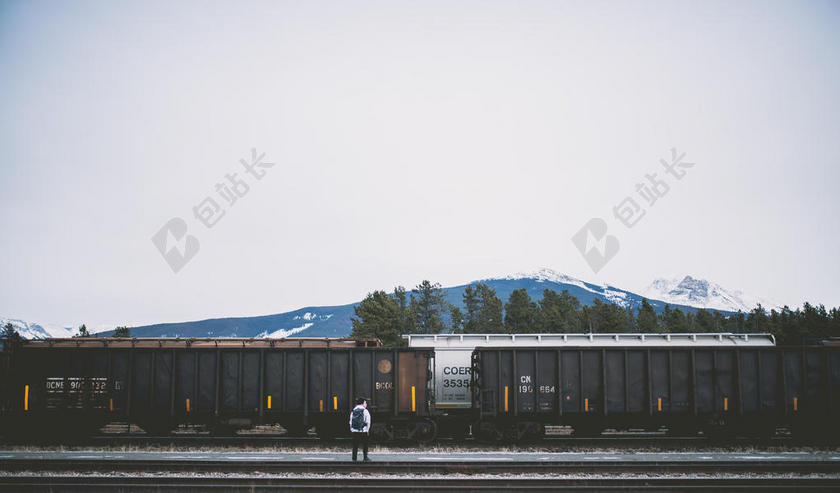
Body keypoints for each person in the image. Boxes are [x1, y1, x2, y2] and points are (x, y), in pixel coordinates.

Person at [349, 397, 371, 462]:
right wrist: (367, 430)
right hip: (363, 431)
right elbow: (368, 422)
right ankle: (365, 458)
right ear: (362, 403)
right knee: (365, 445)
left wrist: (352, 429)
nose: (366, 404)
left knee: (355, 446)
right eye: (365, 403)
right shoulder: (365, 411)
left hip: (355, 431)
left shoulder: (353, 411)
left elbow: (350, 421)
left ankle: (354, 458)